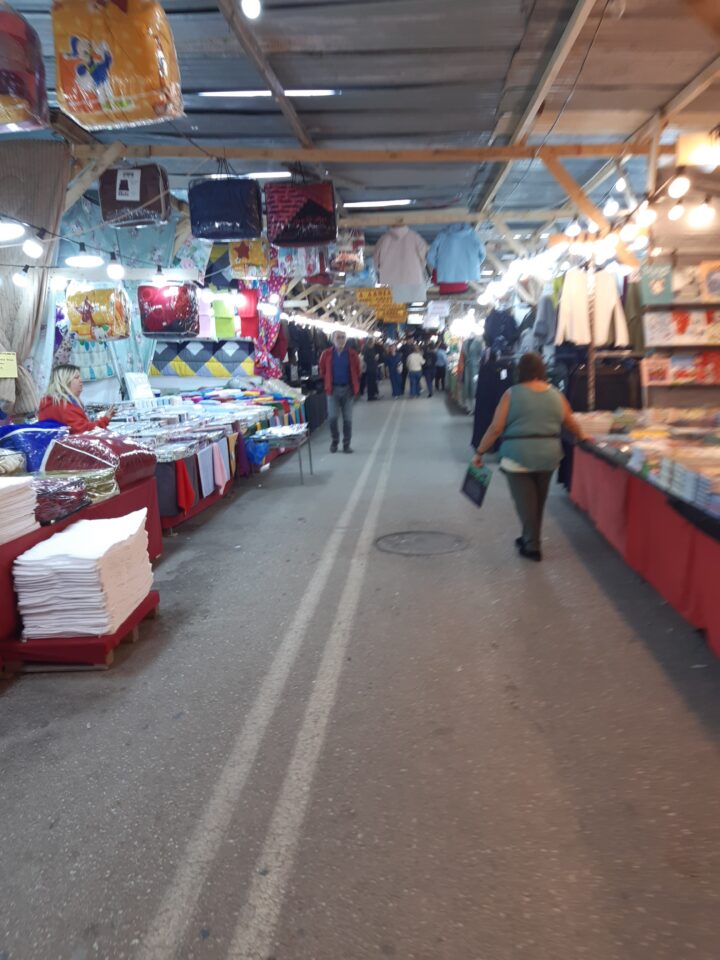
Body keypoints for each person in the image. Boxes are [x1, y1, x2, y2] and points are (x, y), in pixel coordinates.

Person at [472, 352, 586, 562]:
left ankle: (532, 546)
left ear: (520, 371)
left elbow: (496, 428)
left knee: (524, 502)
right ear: (542, 370)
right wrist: (584, 437)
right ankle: (529, 537)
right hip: (549, 456)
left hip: (517, 455)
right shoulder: (556, 394)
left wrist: (480, 452)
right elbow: (570, 422)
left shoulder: (511, 394)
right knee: (538, 502)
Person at [38, 364, 116, 434]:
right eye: (76, 377)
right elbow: (85, 432)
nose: (81, 380)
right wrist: (105, 419)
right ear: (65, 381)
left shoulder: (48, 401)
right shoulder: (65, 406)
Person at [319, 330, 360, 453]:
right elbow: (322, 370)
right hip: (333, 390)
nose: (341, 340)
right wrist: (328, 381)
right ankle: (335, 441)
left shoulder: (352, 354)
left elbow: (357, 370)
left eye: (343, 337)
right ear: (333, 339)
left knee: (347, 419)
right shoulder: (326, 354)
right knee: (332, 418)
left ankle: (346, 444)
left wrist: (353, 385)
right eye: (338, 337)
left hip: (348, 390)